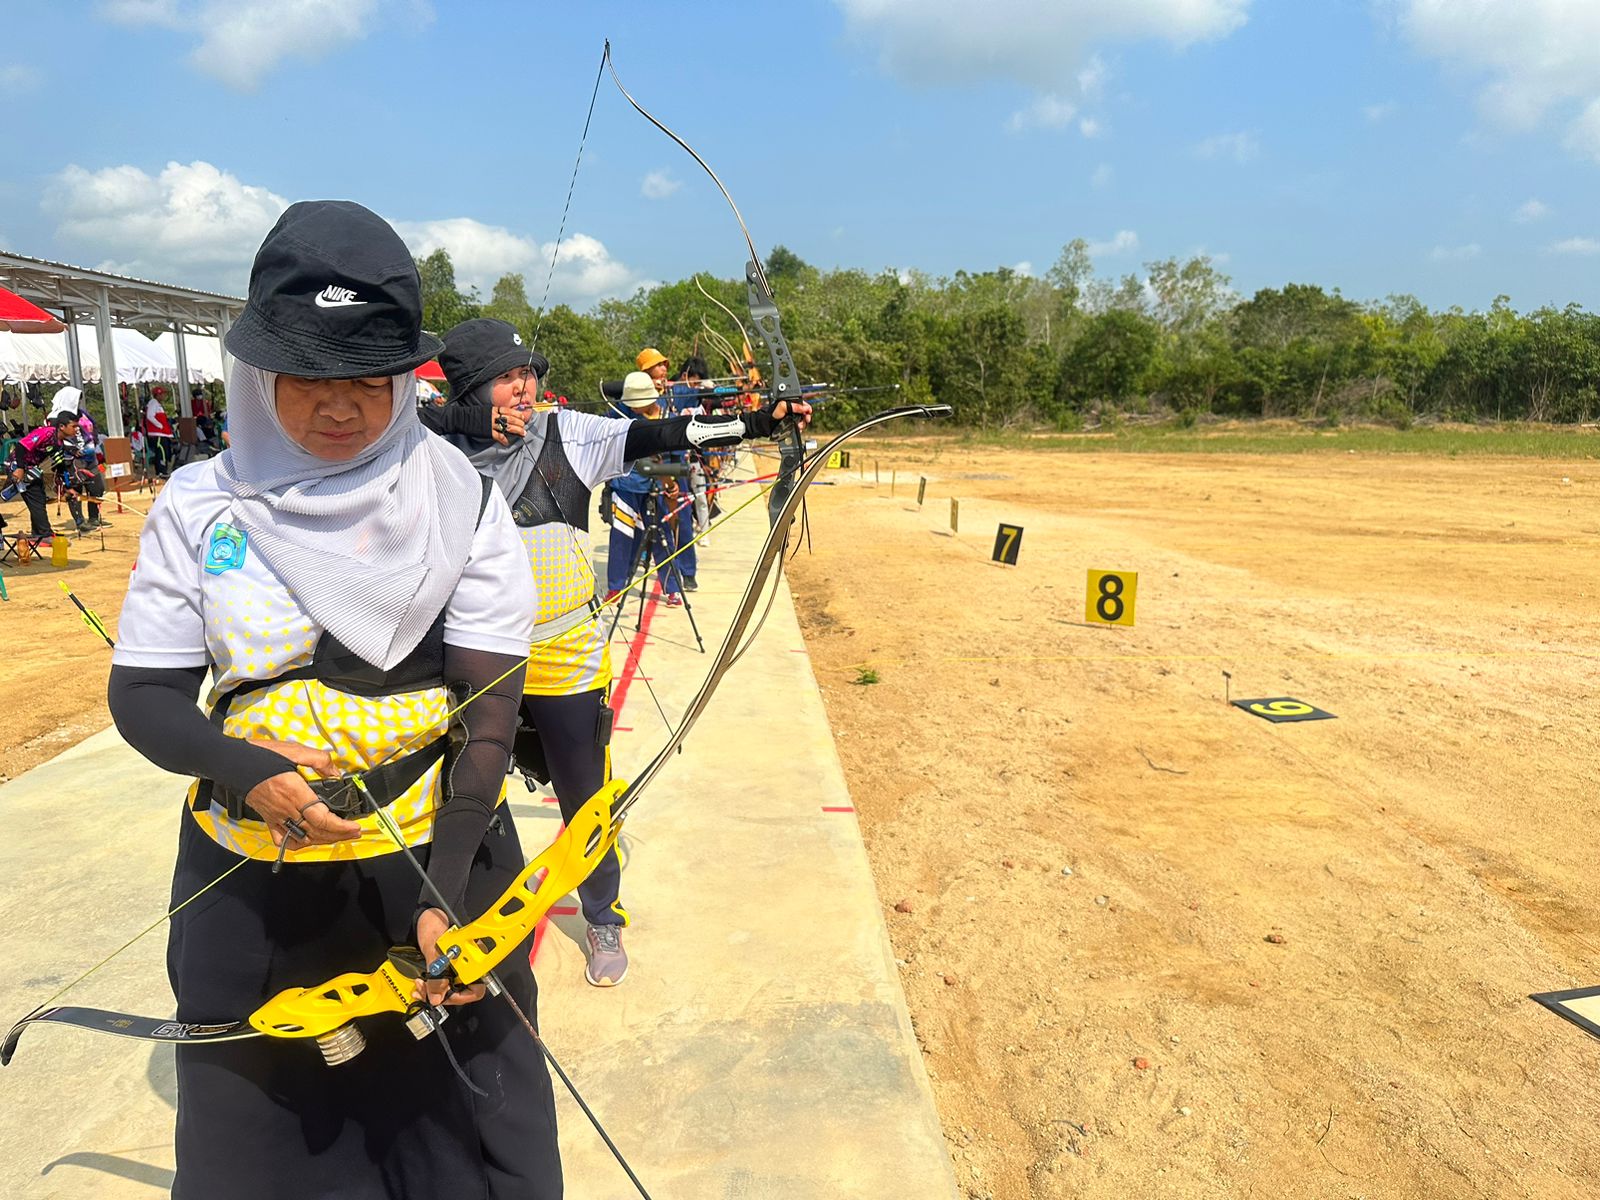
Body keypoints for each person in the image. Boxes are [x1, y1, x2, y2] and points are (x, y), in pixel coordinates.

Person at [104, 200, 560, 1199]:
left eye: (369, 376)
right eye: (310, 375)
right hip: (252, 881)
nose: (341, 405)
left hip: (439, 862)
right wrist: (250, 772)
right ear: (262, 375)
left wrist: (446, 893)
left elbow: (487, 716)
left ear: (406, 379)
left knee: (467, 1142)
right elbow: (143, 695)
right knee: (261, 1146)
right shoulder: (200, 505)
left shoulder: (465, 502)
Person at [438, 321, 809, 986]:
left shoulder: (563, 436)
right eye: (506, 376)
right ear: (469, 386)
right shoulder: (431, 456)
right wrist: (461, 418)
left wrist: (757, 422)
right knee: (469, 797)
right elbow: (392, 418)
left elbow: (666, 433)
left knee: (586, 794)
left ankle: (602, 912)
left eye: (530, 373)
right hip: (475, 658)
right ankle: (464, 921)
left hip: (562, 650)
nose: (525, 387)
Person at [144, 386, 175, 476]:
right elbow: (150, 416)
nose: (164, 396)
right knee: (161, 452)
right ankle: (161, 471)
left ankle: (163, 470)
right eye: (163, 394)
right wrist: (159, 426)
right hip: (158, 433)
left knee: (164, 452)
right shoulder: (153, 403)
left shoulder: (157, 404)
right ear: (158, 394)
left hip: (162, 433)